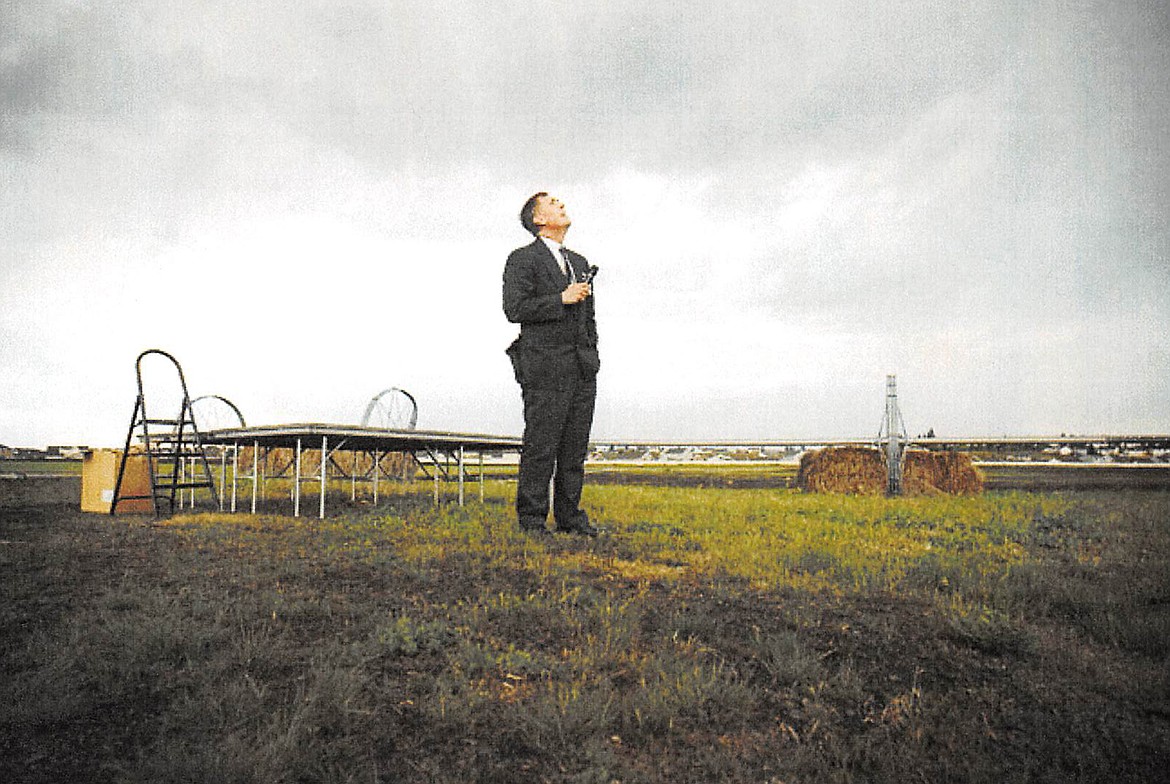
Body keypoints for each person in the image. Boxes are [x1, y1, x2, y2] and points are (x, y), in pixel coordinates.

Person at [502, 192, 600, 536]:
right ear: (539, 219)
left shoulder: (579, 261)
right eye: (553, 202)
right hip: (544, 367)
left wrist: (592, 356)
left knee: (574, 449)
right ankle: (532, 521)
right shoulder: (522, 259)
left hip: (581, 368)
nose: (562, 204)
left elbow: (589, 318)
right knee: (541, 446)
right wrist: (560, 298)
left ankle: (570, 518)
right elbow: (515, 308)